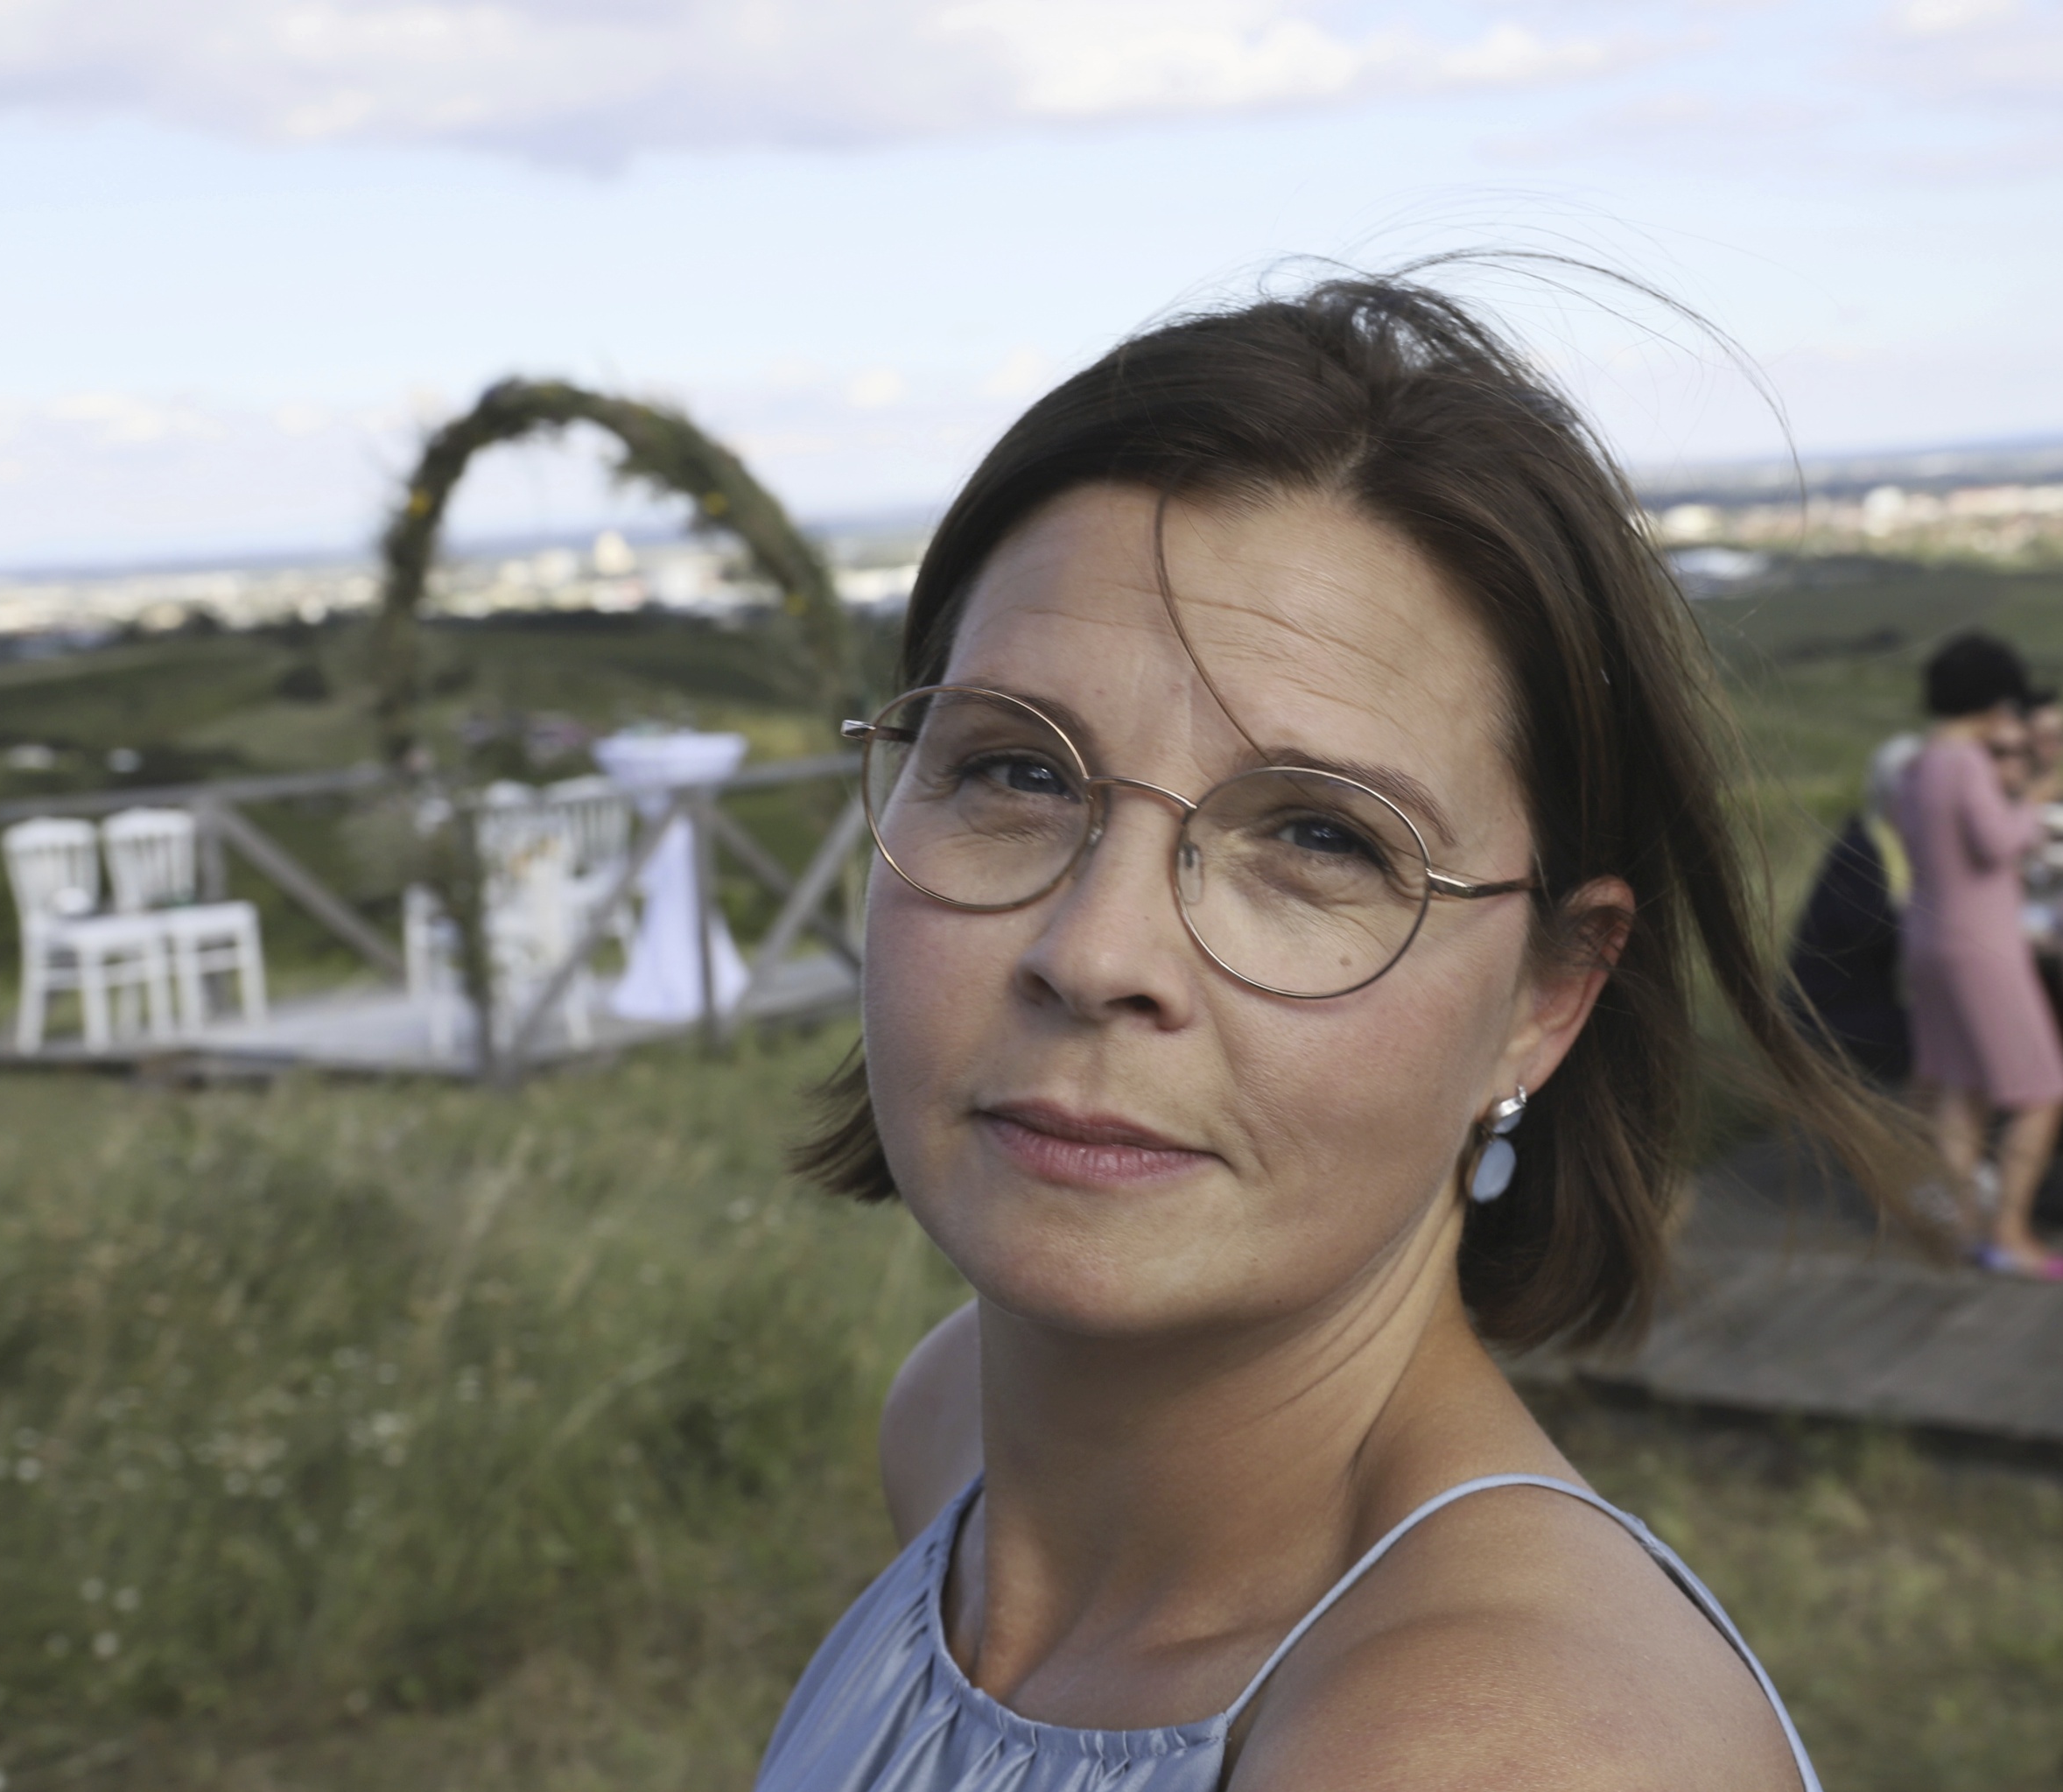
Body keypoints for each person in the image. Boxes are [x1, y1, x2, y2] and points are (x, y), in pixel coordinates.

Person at [752, 278, 1912, 1791]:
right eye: (1017, 772)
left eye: (1319, 836)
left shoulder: (1507, 1752)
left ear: (1549, 994)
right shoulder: (954, 1432)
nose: (1094, 952)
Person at [1891, 630, 2063, 1281]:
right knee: (2043, 1091)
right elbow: (1996, 842)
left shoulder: (1915, 763)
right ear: (1995, 697)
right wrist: (2035, 805)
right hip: (1981, 943)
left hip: (1925, 936)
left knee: (1960, 1086)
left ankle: (1962, 1227)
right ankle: (2011, 1233)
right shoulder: (1965, 760)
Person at [1785, 734, 1919, 1083]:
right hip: (1836, 1013)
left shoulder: (1887, 843)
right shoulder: (1861, 853)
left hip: (1866, 998)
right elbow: (1876, 930)